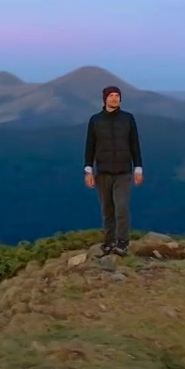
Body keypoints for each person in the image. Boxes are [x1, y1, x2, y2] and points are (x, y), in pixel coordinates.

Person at [82, 84, 144, 256]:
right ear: (105, 98)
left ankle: (122, 243)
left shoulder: (128, 118)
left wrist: (138, 167)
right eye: (111, 95)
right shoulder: (95, 120)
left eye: (117, 95)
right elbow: (90, 146)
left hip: (123, 172)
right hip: (102, 172)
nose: (115, 98)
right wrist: (88, 170)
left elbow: (134, 144)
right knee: (107, 209)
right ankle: (109, 242)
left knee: (121, 207)